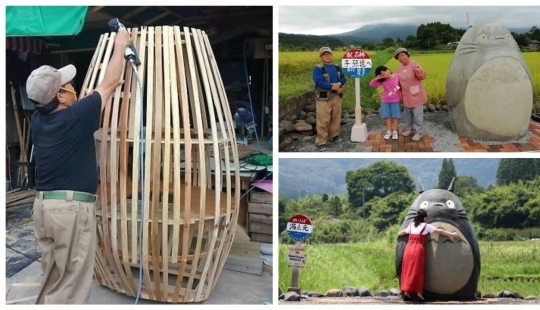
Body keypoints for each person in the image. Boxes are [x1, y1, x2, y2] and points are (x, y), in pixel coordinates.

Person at [26, 30, 132, 304]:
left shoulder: (39, 121)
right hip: (69, 213)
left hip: (44, 209)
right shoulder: (75, 117)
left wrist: (107, 88)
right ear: (60, 97)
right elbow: (107, 84)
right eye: (68, 86)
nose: (74, 87)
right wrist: (120, 45)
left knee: (53, 278)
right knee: (71, 285)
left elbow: (104, 89)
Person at [397, 209, 461, 301]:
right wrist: (452, 234)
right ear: (425, 218)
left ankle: (406, 293)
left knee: (407, 269)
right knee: (418, 271)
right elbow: (439, 231)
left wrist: (398, 234)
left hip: (408, 249)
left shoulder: (411, 225)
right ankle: (419, 294)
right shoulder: (426, 226)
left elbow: (403, 232)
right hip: (417, 249)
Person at [312, 46, 347, 147]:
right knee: (323, 119)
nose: (327, 56)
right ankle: (321, 141)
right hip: (323, 98)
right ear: (321, 56)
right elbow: (319, 82)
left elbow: (343, 78)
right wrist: (334, 87)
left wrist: (339, 84)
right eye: (324, 54)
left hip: (336, 96)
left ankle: (334, 136)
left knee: (336, 117)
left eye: (328, 54)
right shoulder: (318, 68)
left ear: (331, 55)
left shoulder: (336, 67)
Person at [394, 47, 427, 141]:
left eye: (402, 55)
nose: (401, 58)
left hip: (416, 95)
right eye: (399, 57)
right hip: (406, 96)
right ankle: (409, 129)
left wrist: (419, 71)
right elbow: (397, 83)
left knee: (417, 115)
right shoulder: (399, 69)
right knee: (407, 115)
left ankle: (418, 132)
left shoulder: (415, 64)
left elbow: (422, 76)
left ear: (407, 55)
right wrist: (396, 92)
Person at [369, 66, 401, 140]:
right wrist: (376, 79)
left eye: (386, 71)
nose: (386, 74)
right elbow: (371, 85)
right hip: (385, 100)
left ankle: (395, 131)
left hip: (395, 100)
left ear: (388, 69)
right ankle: (389, 131)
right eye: (383, 74)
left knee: (395, 116)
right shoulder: (382, 81)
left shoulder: (397, 76)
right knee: (387, 116)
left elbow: (402, 85)